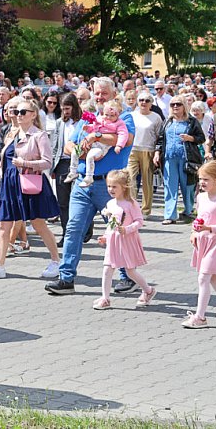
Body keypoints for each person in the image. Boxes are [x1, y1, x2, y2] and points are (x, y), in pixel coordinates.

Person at [45, 78, 135, 295]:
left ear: (113, 94)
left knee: (117, 229)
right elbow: (69, 145)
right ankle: (66, 278)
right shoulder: (89, 116)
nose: (100, 97)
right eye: (97, 93)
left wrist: (96, 136)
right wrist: (79, 151)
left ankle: (128, 277)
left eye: (104, 93)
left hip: (110, 185)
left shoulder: (123, 116)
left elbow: (125, 139)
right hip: (83, 183)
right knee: (73, 229)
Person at [0, 100, 61, 280]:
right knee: (4, 225)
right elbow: (5, 163)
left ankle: (56, 261)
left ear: (33, 115)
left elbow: (47, 162)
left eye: (23, 112)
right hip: (9, 183)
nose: (18, 115)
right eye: (17, 112)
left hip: (29, 182)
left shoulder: (39, 135)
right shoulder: (12, 134)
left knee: (38, 224)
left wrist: (25, 163)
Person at [183, 161, 216, 328]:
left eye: (206, 179)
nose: (202, 182)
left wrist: (208, 228)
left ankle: (200, 317)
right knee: (213, 278)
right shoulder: (201, 197)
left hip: (215, 243)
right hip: (203, 242)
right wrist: (194, 232)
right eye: (200, 179)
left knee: (203, 277)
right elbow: (199, 218)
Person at [92, 170, 156, 310]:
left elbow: (139, 221)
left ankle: (148, 290)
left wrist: (127, 229)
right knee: (107, 269)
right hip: (113, 241)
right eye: (109, 186)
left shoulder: (131, 204)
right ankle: (105, 298)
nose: (111, 189)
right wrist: (105, 236)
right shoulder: (110, 203)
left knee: (130, 271)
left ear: (124, 187)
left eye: (114, 186)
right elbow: (111, 223)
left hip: (126, 241)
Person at [155, 94, 204, 225]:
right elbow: (160, 139)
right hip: (169, 158)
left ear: (184, 106)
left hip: (186, 158)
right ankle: (170, 215)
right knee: (170, 186)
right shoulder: (167, 121)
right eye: (173, 104)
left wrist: (190, 138)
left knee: (188, 186)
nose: (175, 106)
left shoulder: (192, 121)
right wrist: (157, 153)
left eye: (178, 104)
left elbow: (201, 138)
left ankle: (188, 211)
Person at [64, 101, 129, 187]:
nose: (108, 117)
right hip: (91, 144)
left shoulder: (119, 123)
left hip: (102, 147)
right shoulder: (101, 119)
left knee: (90, 156)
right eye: (106, 115)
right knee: (75, 151)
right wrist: (88, 128)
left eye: (112, 115)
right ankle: (73, 172)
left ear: (117, 115)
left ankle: (89, 177)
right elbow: (94, 127)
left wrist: (119, 146)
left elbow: (123, 135)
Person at [50, 94, 83, 247]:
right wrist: (53, 166)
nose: (65, 111)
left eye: (68, 108)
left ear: (74, 107)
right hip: (62, 162)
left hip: (79, 162)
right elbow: (55, 145)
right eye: (63, 108)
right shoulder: (60, 123)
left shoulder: (82, 122)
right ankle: (66, 233)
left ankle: (85, 228)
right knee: (63, 202)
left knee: (79, 199)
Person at [127, 92, 163, 218]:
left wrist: (157, 152)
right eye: (141, 100)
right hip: (132, 150)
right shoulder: (132, 115)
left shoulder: (156, 117)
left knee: (147, 181)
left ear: (151, 103)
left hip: (148, 150)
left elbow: (159, 136)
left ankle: (146, 210)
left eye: (147, 100)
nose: (144, 102)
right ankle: (132, 208)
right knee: (130, 178)